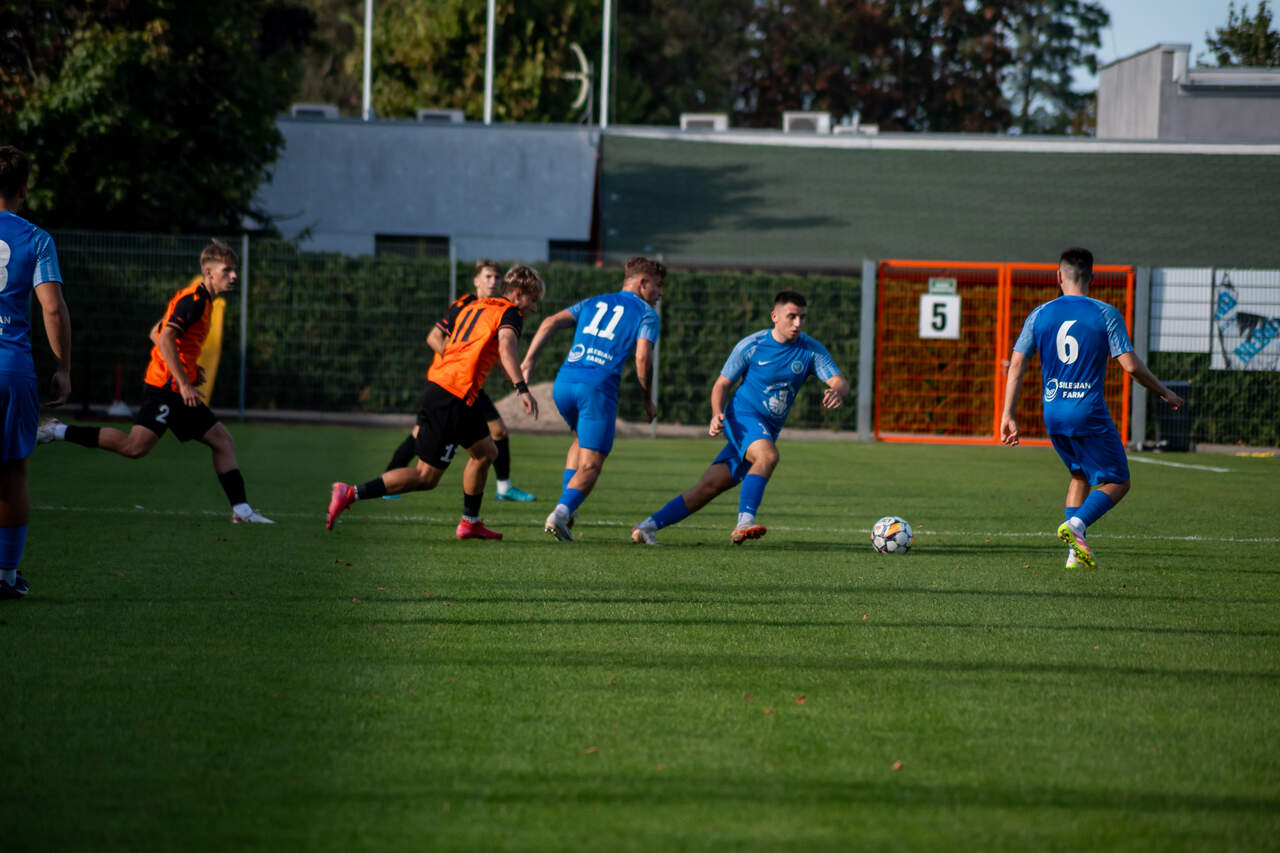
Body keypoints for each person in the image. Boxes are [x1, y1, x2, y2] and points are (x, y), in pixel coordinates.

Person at [37, 239, 273, 524]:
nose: (233, 276)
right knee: (134, 447)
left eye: (234, 270)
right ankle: (56, 430)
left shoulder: (201, 300)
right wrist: (183, 382)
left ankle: (242, 511)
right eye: (227, 270)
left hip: (176, 388)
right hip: (166, 389)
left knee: (222, 441)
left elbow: (155, 332)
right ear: (209, 272)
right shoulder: (194, 302)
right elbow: (165, 338)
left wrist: (189, 368)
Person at [1000, 247, 1185, 569]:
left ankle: (1075, 554)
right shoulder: (1105, 313)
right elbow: (1131, 366)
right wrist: (1164, 391)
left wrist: (1008, 414)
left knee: (1080, 475)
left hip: (1053, 412)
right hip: (1087, 412)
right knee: (1119, 481)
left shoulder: (1040, 313)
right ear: (1092, 278)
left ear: (1058, 276)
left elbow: (1016, 364)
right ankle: (1077, 524)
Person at [327, 265, 543, 538]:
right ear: (518, 293)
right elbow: (506, 347)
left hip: (448, 388)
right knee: (425, 477)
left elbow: (486, 348)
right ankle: (351, 492)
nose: (535, 307)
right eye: (533, 299)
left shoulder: (476, 306)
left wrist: (505, 372)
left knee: (486, 452)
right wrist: (522, 388)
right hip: (453, 394)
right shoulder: (510, 312)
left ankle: (470, 522)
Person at [630, 291, 848, 546]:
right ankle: (744, 522)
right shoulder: (752, 345)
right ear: (774, 316)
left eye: (802, 317)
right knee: (768, 456)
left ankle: (646, 527)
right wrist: (716, 413)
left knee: (709, 486)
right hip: (742, 417)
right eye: (792, 316)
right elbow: (721, 384)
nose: (798, 323)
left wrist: (837, 391)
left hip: (767, 429)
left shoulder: (810, 349)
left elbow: (839, 381)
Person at [519, 256, 665, 542]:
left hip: (564, 382)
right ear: (642, 283)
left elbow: (549, 322)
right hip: (596, 389)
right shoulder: (647, 314)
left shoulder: (593, 301)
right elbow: (642, 357)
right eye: (657, 286)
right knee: (592, 465)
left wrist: (528, 361)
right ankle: (560, 514)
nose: (660, 293)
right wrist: (647, 398)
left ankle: (568, 512)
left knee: (580, 439)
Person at [381, 259, 536, 502]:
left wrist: (504, 368)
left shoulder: (495, 309)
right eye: (488, 277)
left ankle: (501, 489)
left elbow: (494, 347)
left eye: (497, 277)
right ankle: (388, 481)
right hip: (453, 382)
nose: (493, 282)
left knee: (496, 434)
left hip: (467, 383)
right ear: (476, 281)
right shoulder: (466, 305)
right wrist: (460, 361)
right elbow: (434, 337)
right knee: (424, 453)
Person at [0, 146, 72, 600]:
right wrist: (62, 367)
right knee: (12, 475)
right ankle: (6, 577)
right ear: (24, 189)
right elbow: (52, 307)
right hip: (11, 368)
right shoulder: (37, 239)